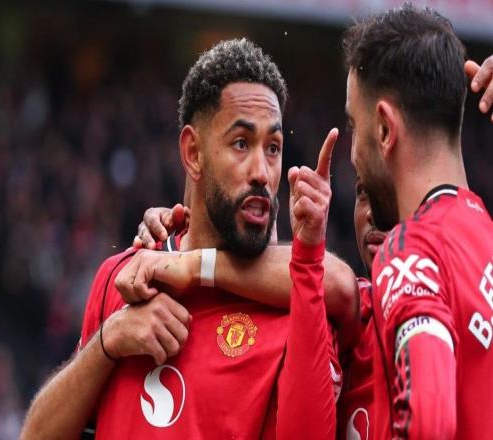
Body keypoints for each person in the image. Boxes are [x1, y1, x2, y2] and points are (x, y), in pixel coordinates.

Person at [129, 52, 493, 440]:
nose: (373, 214)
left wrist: (189, 263)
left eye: (386, 195)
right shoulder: (348, 319)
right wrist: (180, 243)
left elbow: (332, 279)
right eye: (362, 194)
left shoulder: (468, 289)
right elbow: (324, 279)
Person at [21, 38, 347, 439]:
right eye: (241, 144)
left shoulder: (294, 304)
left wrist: (195, 267)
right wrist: (108, 342)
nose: (262, 172)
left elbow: (339, 284)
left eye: (274, 148)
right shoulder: (123, 278)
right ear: (193, 153)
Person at [343, 4, 493, 438]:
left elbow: (428, 420)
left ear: (384, 130)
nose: (353, 154)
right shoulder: (483, 236)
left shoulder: (410, 253)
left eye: (354, 125)